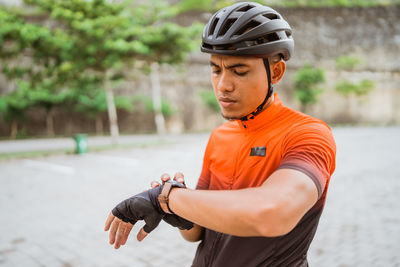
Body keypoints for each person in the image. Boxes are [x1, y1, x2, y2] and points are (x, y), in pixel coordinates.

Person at [104, 2, 336, 266]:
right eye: (216, 69)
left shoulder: (307, 134)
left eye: (239, 71)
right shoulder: (221, 136)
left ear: (276, 71)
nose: (223, 85)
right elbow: (195, 234)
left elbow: (273, 213)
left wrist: (167, 199)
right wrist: (178, 208)